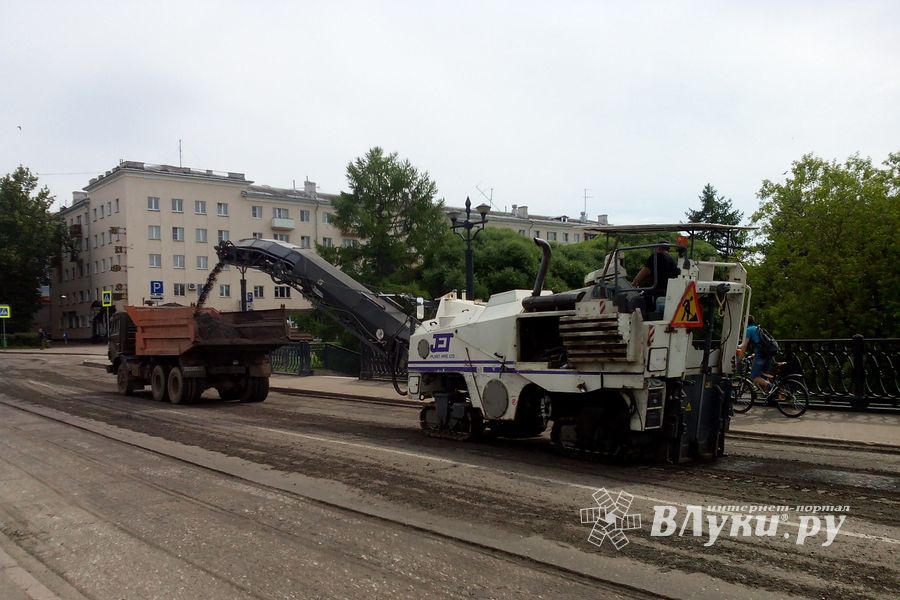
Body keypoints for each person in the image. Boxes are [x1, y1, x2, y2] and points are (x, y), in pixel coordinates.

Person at [631, 242, 679, 311]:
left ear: (658, 248)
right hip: (668, 291)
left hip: (656, 291)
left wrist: (633, 283)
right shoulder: (673, 260)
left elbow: (645, 271)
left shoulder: (656, 256)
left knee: (637, 300)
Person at [736, 315, 773, 390]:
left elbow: (744, 345)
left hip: (761, 354)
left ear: (744, 323)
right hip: (767, 353)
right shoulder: (757, 328)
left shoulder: (748, 330)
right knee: (763, 375)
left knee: (754, 377)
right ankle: (772, 394)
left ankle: (772, 387)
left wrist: (739, 358)